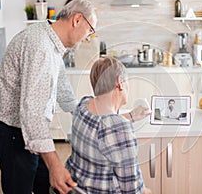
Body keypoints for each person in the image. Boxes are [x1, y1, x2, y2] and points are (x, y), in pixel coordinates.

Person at [0, 0, 97, 194]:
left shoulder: (50, 40)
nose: (88, 38)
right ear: (77, 20)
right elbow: (33, 113)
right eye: (90, 31)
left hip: (28, 134)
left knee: (42, 186)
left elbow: (63, 88)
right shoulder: (40, 47)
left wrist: (88, 115)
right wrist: (55, 165)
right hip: (14, 135)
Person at [65, 57, 152, 194]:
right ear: (120, 83)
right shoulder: (119, 129)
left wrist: (130, 116)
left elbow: (100, 127)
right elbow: (132, 190)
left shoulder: (83, 105)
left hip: (75, 189)